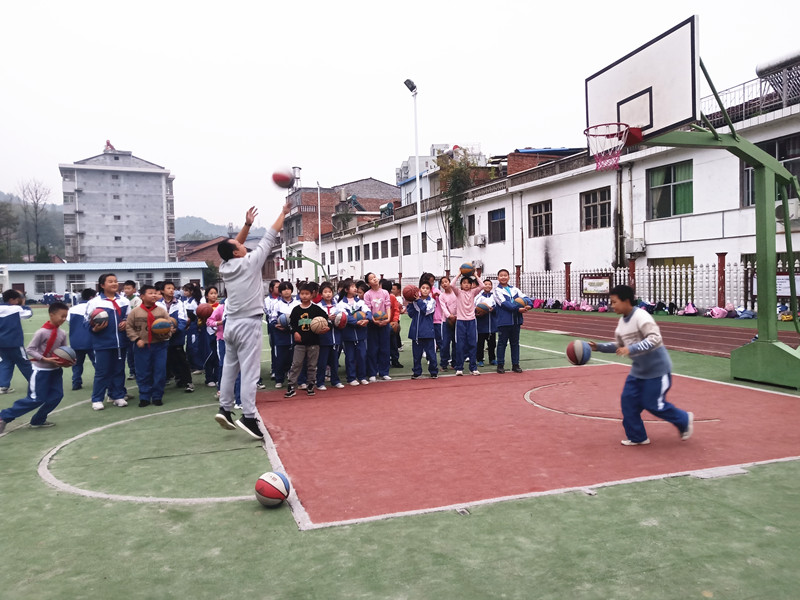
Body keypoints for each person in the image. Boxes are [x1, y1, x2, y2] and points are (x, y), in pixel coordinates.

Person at [214, 204, 289, 440]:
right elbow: (270, 234)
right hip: (248, 324)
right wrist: (283, 213)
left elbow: (231, 247)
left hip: (231, 324)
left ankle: (225, 409)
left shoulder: (225, 266)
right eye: (239, 245)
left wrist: (247, 224)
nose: (243, 244)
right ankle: (248, 416)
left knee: (230, 368)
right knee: (250, 373)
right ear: (237, 253)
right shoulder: (250, 261)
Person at [588, 284, 694, 446]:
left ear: (626, 301)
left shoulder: (641, 316)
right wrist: (599, 347)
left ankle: (683, 419)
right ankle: (638, 437)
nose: (612, 305)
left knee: (653, 404)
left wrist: (630, 349)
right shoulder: (622, 324)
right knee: (628, 402)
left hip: (657, 371)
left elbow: (654, 339)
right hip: (638, 372)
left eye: (615, 302)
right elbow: (620, 346)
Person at [0, 302, 69, 433]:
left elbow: (64, 350)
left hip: (55, 371)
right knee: (36, 399)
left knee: (57, 396)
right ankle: (4, 416)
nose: (64, 319)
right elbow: (30, 349)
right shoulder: (41, 332)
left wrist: (67, 361)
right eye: (62, 316)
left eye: (66, 316)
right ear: (52, 315)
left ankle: (38, 420)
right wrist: (44, 359)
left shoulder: (62, 333)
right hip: (41, 372)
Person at [86, 273, 130, 410]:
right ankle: (97, 399)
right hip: (102, 343)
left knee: (119, 370)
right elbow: (85, 322)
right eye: (110, 281)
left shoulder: (124, 301)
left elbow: (129, 317)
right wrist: (94, 328)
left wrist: (126, 322)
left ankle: (117, 396)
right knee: (102, 372)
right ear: (102, 285)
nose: (114, 283)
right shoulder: (94, 302)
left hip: (121, 342)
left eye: (115, 281)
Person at [126, 284, 171, 407]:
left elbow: (169, 325)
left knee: (160, 372)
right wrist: (136, 339)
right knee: (142, 372)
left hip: (160, 346)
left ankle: (157, 396)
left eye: (155, 293)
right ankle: (144, 397)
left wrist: (166, 334)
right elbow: (129, 327)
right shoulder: (135, 312)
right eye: (150, 293)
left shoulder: (161, 311)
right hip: (142, 347)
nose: (154, 295)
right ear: (142, 296)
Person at [283, 283, 330, 398]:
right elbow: (291, 324)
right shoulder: (296, 310)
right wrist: (295, 332)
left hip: (314, 342)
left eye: (307, 294)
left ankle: (310, 385)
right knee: (296, 364)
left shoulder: (316, 309)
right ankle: (291, 386)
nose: (304, 296)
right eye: (302, 294)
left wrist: (326, 327)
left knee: (312, 365)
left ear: (312, 295)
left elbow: (326, 319)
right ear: (299, 295)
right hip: (299, 343)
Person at [492, 268, 531, 374]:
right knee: (502, 344)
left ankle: (516, 364)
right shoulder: (497, 291)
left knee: (515, 343)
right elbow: (504, 304)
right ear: (498, 278)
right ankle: (500, 365)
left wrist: (529, 305)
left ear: (509, 277)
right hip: (504, 321)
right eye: (501, 275)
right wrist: (518, 309)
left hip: (516, 321)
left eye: (505, 275)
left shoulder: (515, 289)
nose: (503, 277)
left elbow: (525, 298)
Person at [158, 281, 194, 393]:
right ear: (162, 290)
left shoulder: (179, 303)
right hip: (162, 337)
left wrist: (176, 329)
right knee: (165, 360)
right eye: (168, 288)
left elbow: (183, 319)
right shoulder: (158, 304)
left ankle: (188, 382)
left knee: (181, 359)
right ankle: (169, 379)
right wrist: (162, 330)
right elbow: (155, 320)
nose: (171, 290)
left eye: (172, 288)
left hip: (177, 336)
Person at [336, 279, 371, 386]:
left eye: (355, 286)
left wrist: (367, 319)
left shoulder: (360, 302)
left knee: (362, 356)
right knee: (350, 357)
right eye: (352, 287)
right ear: (346, 290)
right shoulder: (341, 304)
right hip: (348, 335)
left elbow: (368, 312)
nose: (355, 288)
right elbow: (345, 316)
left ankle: (362, 377)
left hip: (361, 334)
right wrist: (357, 322)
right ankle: (351, 378)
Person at [450, 273, 485, 375]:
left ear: (471, 285)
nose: (466, 284)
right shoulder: (458, 292)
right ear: (461, 285)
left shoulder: (473, 292)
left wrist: (475, 275)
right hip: (460, 321)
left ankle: (473, 368)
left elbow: (482, 286)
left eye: (468, 283)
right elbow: (451, 285)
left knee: (472, 344)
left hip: (471, 321)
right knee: (460, 345)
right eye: (464, 283)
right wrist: (459, 274)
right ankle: (459, 368)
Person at [0, 289, 33, 394]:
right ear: (11, 300)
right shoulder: (15, 308)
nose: (18, 301)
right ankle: (36, 383)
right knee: (24, 362)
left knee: (5, 362)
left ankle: (3, 386)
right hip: (14, 341)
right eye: (17, 300)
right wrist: (23, 304)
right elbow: (28, 314)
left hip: (1, 342)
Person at [315, 282, 345, 390]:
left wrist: (338, 319)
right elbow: (316, 321)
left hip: (336, 337)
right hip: (323, 338)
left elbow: (343, 318)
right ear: (321, 294)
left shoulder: (338, 306)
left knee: (334, 361)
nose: (328, 294)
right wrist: (327, 319)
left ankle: (335, 381)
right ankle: (320, 382)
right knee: (322, 362)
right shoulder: (318, 307)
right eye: (325, 292)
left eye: (330, 292)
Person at [406, 281, 438, 379]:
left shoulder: (432, 301)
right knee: (416, 355)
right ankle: (417, 371)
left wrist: (418, 300)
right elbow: (411, 314)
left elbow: (426, 310)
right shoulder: (415, 302)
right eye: (423, 288)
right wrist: (410, 303)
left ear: (430, 290)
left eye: (427, 288)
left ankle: (433, 371)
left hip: (428, 332)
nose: (425, 290)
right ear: (419, 289)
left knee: (431, 354)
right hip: (416, 332)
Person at [270, 281, 299, 388]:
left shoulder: (297, 303)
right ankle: (279, 379)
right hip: (281, 336)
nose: (286, 291)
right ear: (280, 292)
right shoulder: (277, 304)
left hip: (294, 335)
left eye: (288, 289)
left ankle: (295, 379)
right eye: (284, 289)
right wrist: (276, 325)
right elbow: (272, 319)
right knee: (280, 359)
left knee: (295, 359)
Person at [67, 288, 97, 391]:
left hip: (75, 340)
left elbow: (68, 322)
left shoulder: (72, 309)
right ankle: (103, 382)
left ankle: (76, 383)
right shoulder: (94, 308)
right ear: (91, 297)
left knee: (77, 364)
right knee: (97, 363)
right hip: (91, 340)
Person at [364, 272, 392, 382]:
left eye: (375, 277)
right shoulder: (367, 294)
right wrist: (374, 320)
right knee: (372, 349)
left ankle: (384, 372)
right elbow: (367, 309)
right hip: (372, 324)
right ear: (368, 283)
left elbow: (388, 306)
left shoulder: (385, 292)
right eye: (371, 279)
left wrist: (388, 319)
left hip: (385, 323)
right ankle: (372, 372)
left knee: (385, 348)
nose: (375, 279)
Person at [201, 286, 220, 387]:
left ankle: (217, 377)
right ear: (207, 295)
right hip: (207, 334)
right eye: (211, 293)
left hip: (219, 333)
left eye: (215, 293)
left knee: (218, 356)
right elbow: (199, 323)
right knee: (209, 355)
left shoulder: (220, 306)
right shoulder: (203, 307)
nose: (214, 295)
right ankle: (209, 378)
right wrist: (202, 320)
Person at [475, 279, 497, 367]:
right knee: (480, 344)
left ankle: (492, 359)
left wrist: (493, 309)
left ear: (491, 286)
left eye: (489, 284)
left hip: (492, 325)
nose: (487, 286)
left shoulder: (495, 296)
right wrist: (478, 312)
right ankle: (480, 359)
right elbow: (474, 307)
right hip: (481, 324)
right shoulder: (478, 296)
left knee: (492, 344)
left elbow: (498, 307)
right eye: (486, 284)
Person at [437, 276, 457, 371]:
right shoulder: (441, 296)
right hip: (446, 322)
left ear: (450, 282)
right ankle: (444, 364)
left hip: (457, 320)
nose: (444, 284)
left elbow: (459, 305)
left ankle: (455, 363)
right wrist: (449, 316)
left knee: (456, 343)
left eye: (446, 281)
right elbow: (443, 308)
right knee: (445, 344)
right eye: (442, 283)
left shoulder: (456, 293)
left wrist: (456, 316)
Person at [122, 280, 141, 381]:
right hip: (125, 330)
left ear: (134, 289)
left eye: (128, 288)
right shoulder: (123, 300)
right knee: (128, 353)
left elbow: (137, 314)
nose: (126, 290)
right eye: (125, 288)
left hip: (134, 330)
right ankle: (132, 371)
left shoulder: (137, 300)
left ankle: (137, 371)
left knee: (134, 352)